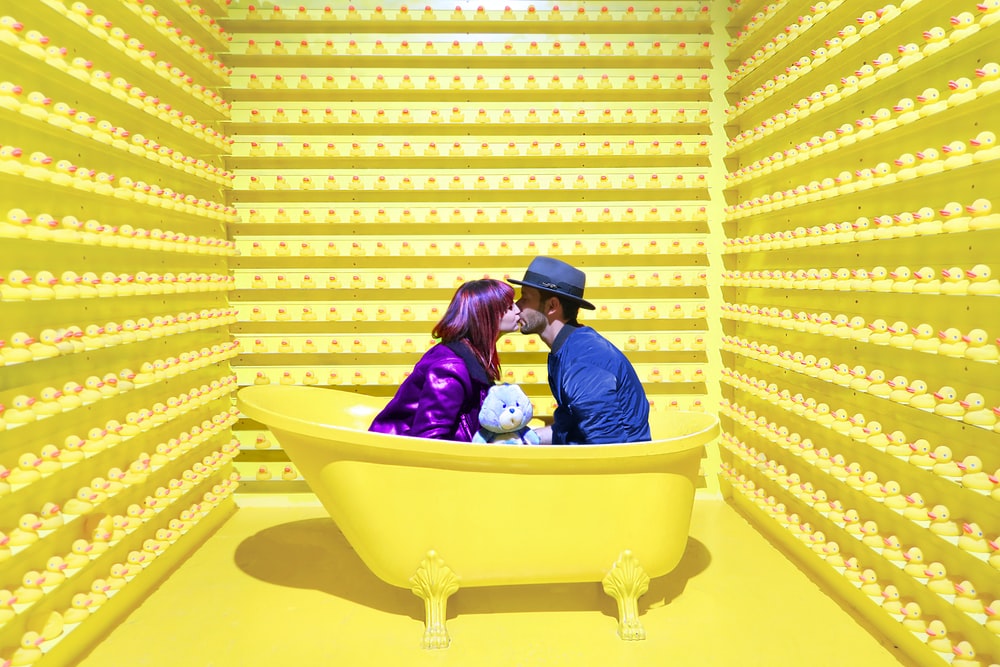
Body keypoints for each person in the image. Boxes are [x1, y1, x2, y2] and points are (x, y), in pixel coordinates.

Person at [509, 256, 650, 445]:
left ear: (552, 306)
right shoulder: (570, 348)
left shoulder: (583, 361)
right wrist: (523, 440)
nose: (517, 306)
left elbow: (607, 445)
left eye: (525, 298)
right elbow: (571, 429)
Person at [369, 279, 520, 441]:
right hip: (398, 457)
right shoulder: (450, 368)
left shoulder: (471, 355)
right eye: (510, 307)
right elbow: (430, 438)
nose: (518, 310)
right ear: (487, 316)